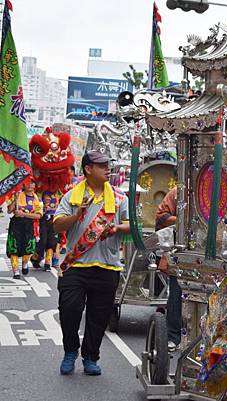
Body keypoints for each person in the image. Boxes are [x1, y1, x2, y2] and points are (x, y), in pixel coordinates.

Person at [53, 151, 130, 376]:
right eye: (102, 165)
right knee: (69, 309)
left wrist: (116, 228)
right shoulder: (72, 197)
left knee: (99, 316)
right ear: (88, 169)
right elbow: (57, 226)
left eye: (108, 164)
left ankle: (90, 357)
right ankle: (70, 351)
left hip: (107, 267)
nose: (108, 169)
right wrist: (77, 215)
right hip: (75, 266)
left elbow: (131, 226)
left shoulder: (119, 198)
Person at [155, 187, 180, 352]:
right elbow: (160, 217)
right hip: (181, 250)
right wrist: (181, 219)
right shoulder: (178, 192)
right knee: (177, 293)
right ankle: (173, 336)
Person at [6, 182, 43, 279]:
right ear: (22, 185)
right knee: (14, 248)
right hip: (16, 226)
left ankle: (25, 264)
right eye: (27, 183)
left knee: (28, 249)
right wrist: (15, 199)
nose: (30, 185)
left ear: (35, 185)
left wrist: (23, 214)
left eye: (32, 183)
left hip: (29, 226)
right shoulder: (17, 196)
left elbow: (38, 215)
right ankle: (15, 271)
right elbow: (9, 211)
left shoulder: (38, 200)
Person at [32, 189, 61, 271]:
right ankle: (35, 259)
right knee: (42, 242)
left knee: (52, 242)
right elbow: (36, 208)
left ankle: (47, 263)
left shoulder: (59, 192)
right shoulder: (40, 191)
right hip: (42, 220)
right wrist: (44, 205)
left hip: (54, 220)